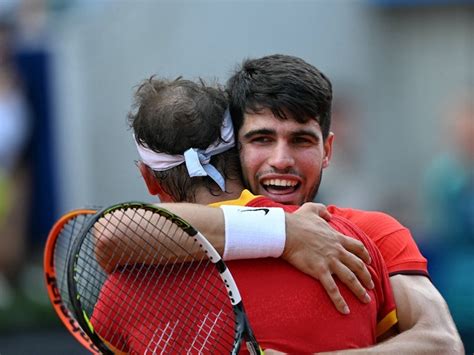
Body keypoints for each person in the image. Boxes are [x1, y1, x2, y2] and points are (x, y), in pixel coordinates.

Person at [92, 76, 397, 353]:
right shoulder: (348, 245)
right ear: (239, 150)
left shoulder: (121, 293)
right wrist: (283, 233)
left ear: (148, 177)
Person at [225, 54, 463, 353]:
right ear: (234, 149)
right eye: (262, 139)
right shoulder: (200, 234)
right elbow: (149, 224)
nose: (281, 160)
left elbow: (444, 342)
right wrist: (282, 230)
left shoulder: (374, 231)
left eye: (301, 141)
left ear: (327, 150)